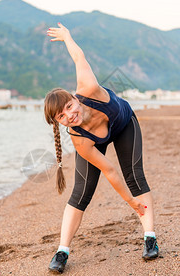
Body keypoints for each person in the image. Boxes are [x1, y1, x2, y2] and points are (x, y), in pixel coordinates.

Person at [44, 23, 159, 273]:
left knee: (136, 177)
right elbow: (109, 171)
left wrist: (67, 38)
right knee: (81, 192)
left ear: (75, 98)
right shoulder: (79, 139)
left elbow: (78, 57)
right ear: (58, 122)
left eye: (69, 107)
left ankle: (150, 237)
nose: (69, 115)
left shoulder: (89, 88)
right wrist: (129, 202)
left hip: (124, 124)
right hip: (94, 140)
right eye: (61, 116)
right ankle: (62, 251)